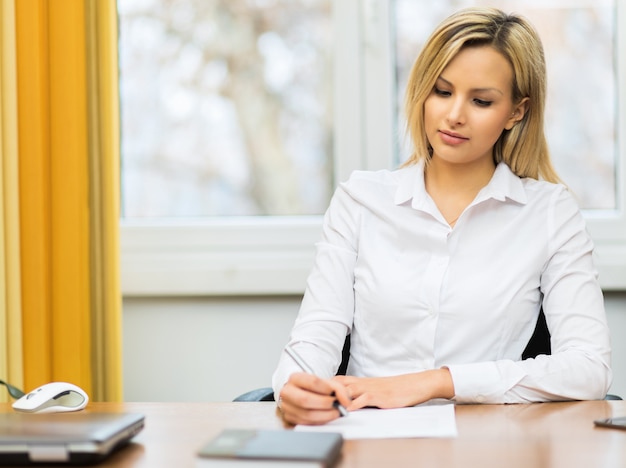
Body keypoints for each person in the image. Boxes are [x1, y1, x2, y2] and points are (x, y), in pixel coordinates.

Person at [272, 7, 612, 426]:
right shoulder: (360, 200)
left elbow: (588, 367)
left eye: (481, 101)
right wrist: (295, 387)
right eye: (442, 91)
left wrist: (438, 382)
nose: (455, 115)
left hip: (485, 443)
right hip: (365, 433)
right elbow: (313, 339)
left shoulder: (550, 212)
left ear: (516, 112)